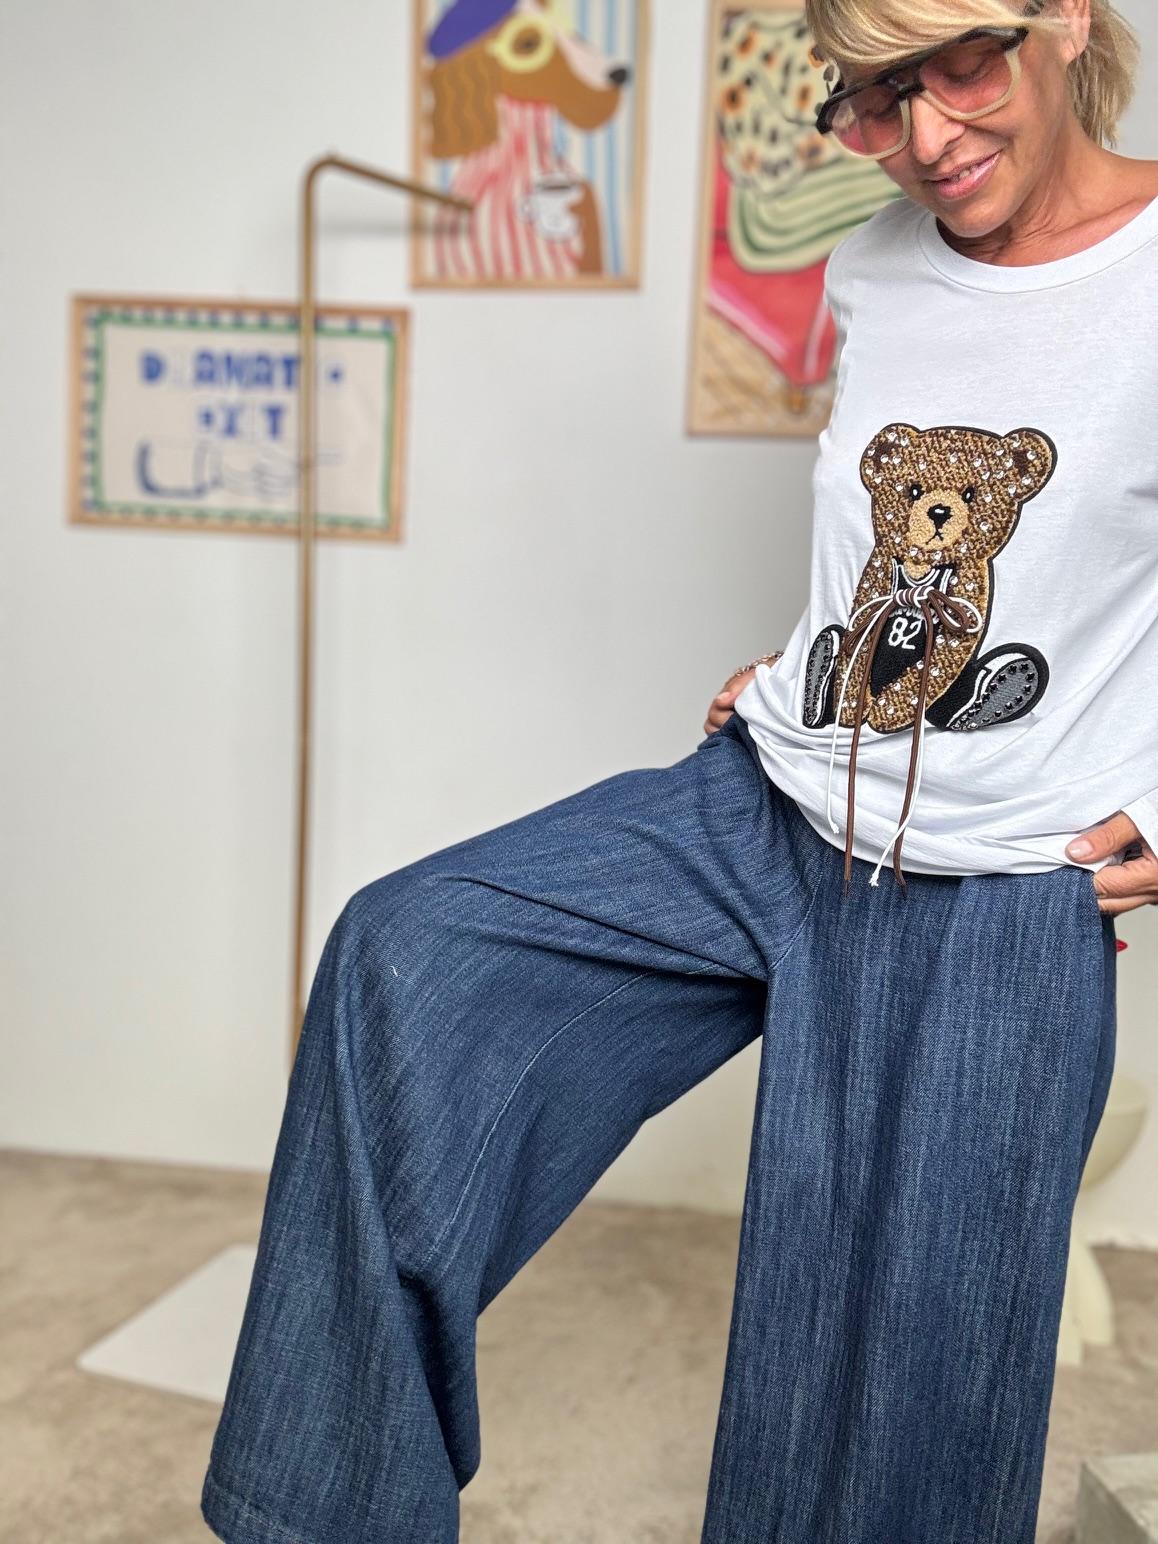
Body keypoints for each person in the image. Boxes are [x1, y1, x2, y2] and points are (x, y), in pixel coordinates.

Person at [201, 2, 1157, 1540]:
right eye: (874, 98)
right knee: (406, 956)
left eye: (956, 71)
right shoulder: (874, 265)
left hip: (995, 889)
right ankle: (327, 1515)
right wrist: (802, 663)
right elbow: (900, 555)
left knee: (896, 1385)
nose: (922, 139)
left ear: (1062, 18)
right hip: (769, 804)